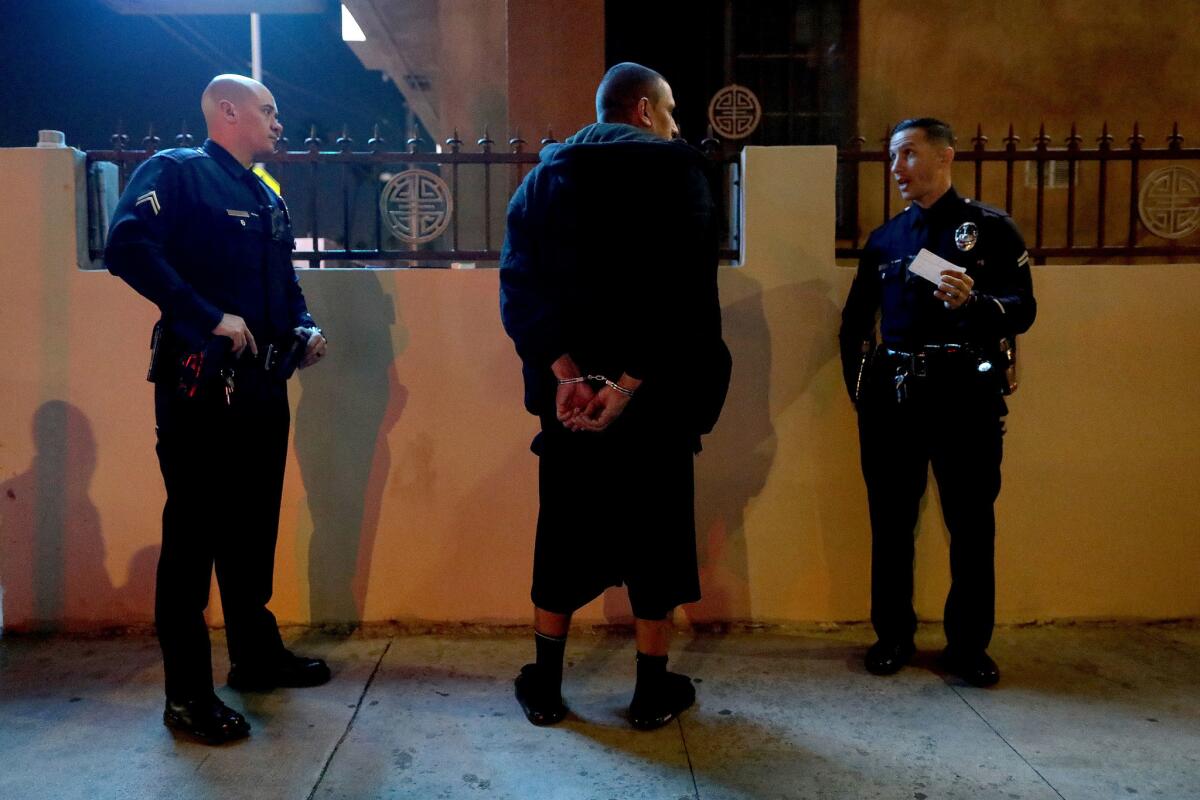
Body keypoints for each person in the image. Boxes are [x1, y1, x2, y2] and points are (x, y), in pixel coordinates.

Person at [499, 62, 731, 729]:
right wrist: (628, 384)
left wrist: (566, 372)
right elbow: (683, 296)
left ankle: (544, 685)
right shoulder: (677, 177)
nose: (676, 123)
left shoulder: (541, 182)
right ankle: (649, 692)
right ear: (642, 111)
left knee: (564, 530)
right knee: (656, 534)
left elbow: (519, 290)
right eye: (671, 109)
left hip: (569, 403)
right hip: (651, 398)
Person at [105, 74, 331, 744]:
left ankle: (255, 657)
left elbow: (282, 280)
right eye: (268, 111)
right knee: (194, 539)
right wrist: (206, 316)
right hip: (199, 388)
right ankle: (186, 697)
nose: (278, 122)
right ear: (227, 112)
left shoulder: (265, 193)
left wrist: (305, 326)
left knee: (252, 527)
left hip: (262, 387)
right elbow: (126, 247)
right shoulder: (176, 174)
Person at [840, 118, 1037, 687]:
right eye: (893, 157)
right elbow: (854, 326)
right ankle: (893, 636)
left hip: (965, 399)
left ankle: (968, 646)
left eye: (907, 154)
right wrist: (863, 395)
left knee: (971, 524)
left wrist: (977, 303)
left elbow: (1023, 309)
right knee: (891, 524)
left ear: (945, 156)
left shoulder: (989, 229)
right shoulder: (887, 240)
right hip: (894, 400)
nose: (896, 168)